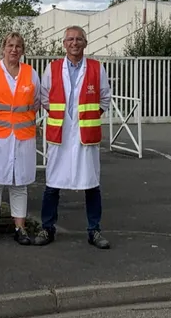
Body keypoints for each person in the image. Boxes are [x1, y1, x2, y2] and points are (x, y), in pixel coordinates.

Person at [33, 25, 112, 250]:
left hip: (85, 133)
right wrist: (61, 117)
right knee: (53, 183)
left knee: (91, 183)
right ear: (64, 43)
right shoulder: (53, 67)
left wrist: (87, 116)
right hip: (60, 132)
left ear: (85, 43)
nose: (74, 43)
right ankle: (47, 228)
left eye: (79, 39)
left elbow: (105, 97)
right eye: (70, 39)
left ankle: (94, 230)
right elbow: (44, 96)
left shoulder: (97, 68)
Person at [0, 32, 40, 246]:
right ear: (3, 48)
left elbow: (36, 102)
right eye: (10, 45)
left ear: (23, 50)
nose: (14, 50)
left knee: (19, 183)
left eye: (18, 46)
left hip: (22, 137)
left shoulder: (31, 73)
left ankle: (20, 228)